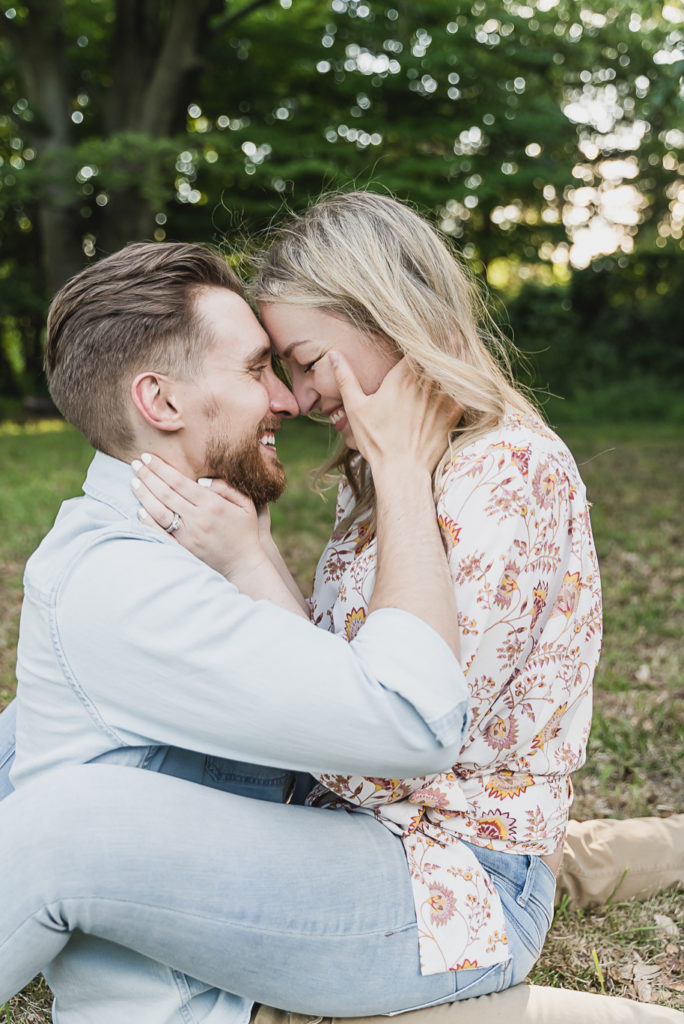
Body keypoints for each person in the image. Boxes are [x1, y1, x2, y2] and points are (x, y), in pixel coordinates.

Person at [0, 194, 681, 1024]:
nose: (295, 395)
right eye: (267, 367)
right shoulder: (366, 476)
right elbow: (331, 687)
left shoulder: (501, 474)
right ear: (162, 403)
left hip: (443, 867)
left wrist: (277, 548)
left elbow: (385, 742)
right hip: (378, 835)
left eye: (300, 358)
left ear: (388, 319)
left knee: (71, 826)